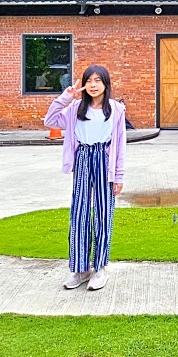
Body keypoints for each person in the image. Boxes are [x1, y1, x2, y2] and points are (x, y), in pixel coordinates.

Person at [43, 65, 126, 291]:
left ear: (106, 84)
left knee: (103, 213)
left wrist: (119, 176)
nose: (93, 85)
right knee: (78, 214)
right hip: (82, 159)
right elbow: (49, 121)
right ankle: (80, 269)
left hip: (103, 160)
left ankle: (99, 268)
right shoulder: (75, 109)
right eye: (89, 80)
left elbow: (120, 146)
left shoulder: (116, 110)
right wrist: (65, 98)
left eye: (98, 80)